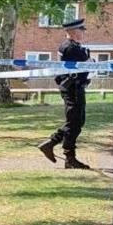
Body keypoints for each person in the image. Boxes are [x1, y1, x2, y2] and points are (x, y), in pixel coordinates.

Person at [38, 19, 92, 169]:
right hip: (72, 88)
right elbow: (87, 63)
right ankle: (68, 157)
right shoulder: (70, 48)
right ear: (73, 32)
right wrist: (88, 60)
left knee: (77, 121)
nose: (83, 33)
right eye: (81, 30)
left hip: (76, 87)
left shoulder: (74, 47)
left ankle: (52, 144)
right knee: (74, 122)